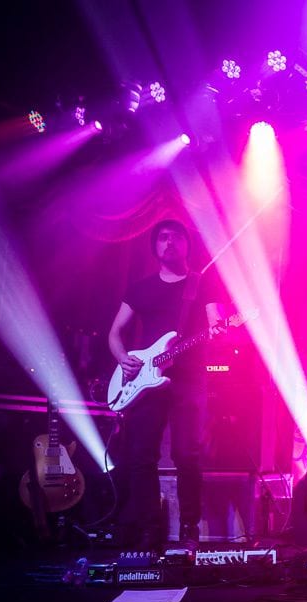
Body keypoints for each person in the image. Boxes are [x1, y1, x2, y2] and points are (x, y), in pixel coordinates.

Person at [108, 219, 224, 551]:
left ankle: (189, 528)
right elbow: (115, 333)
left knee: (186, 454)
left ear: (187, 244)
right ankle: (149, 527)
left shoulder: (202, 283)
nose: (169, 242)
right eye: (162, 238)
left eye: (175, 237)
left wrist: (219, 327)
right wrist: (123, 359)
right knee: (141, 455)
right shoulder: (141, 289)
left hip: (189, 380)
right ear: (155, 247)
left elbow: (216, 320)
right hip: (145, 379)